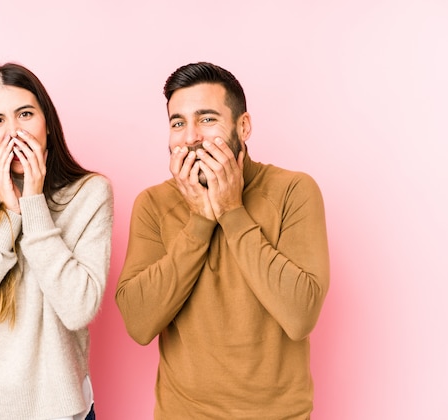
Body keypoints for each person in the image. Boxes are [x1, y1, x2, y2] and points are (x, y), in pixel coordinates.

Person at [115, 62, 329, 419]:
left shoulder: (293, 191)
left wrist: (231, 211)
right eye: (178, 123)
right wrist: (200, 220)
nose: (190, 136)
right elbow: (138, 323)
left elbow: (300, 315)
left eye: (207, 119)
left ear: (242, 127)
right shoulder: (153, 204)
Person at [0, 63, 113, 420]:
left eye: (25, 114)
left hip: (60, 411)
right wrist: (9, 218)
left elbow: (79, 308)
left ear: (47, 122)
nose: (14, 132)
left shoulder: (89, 194)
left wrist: (33, 206)